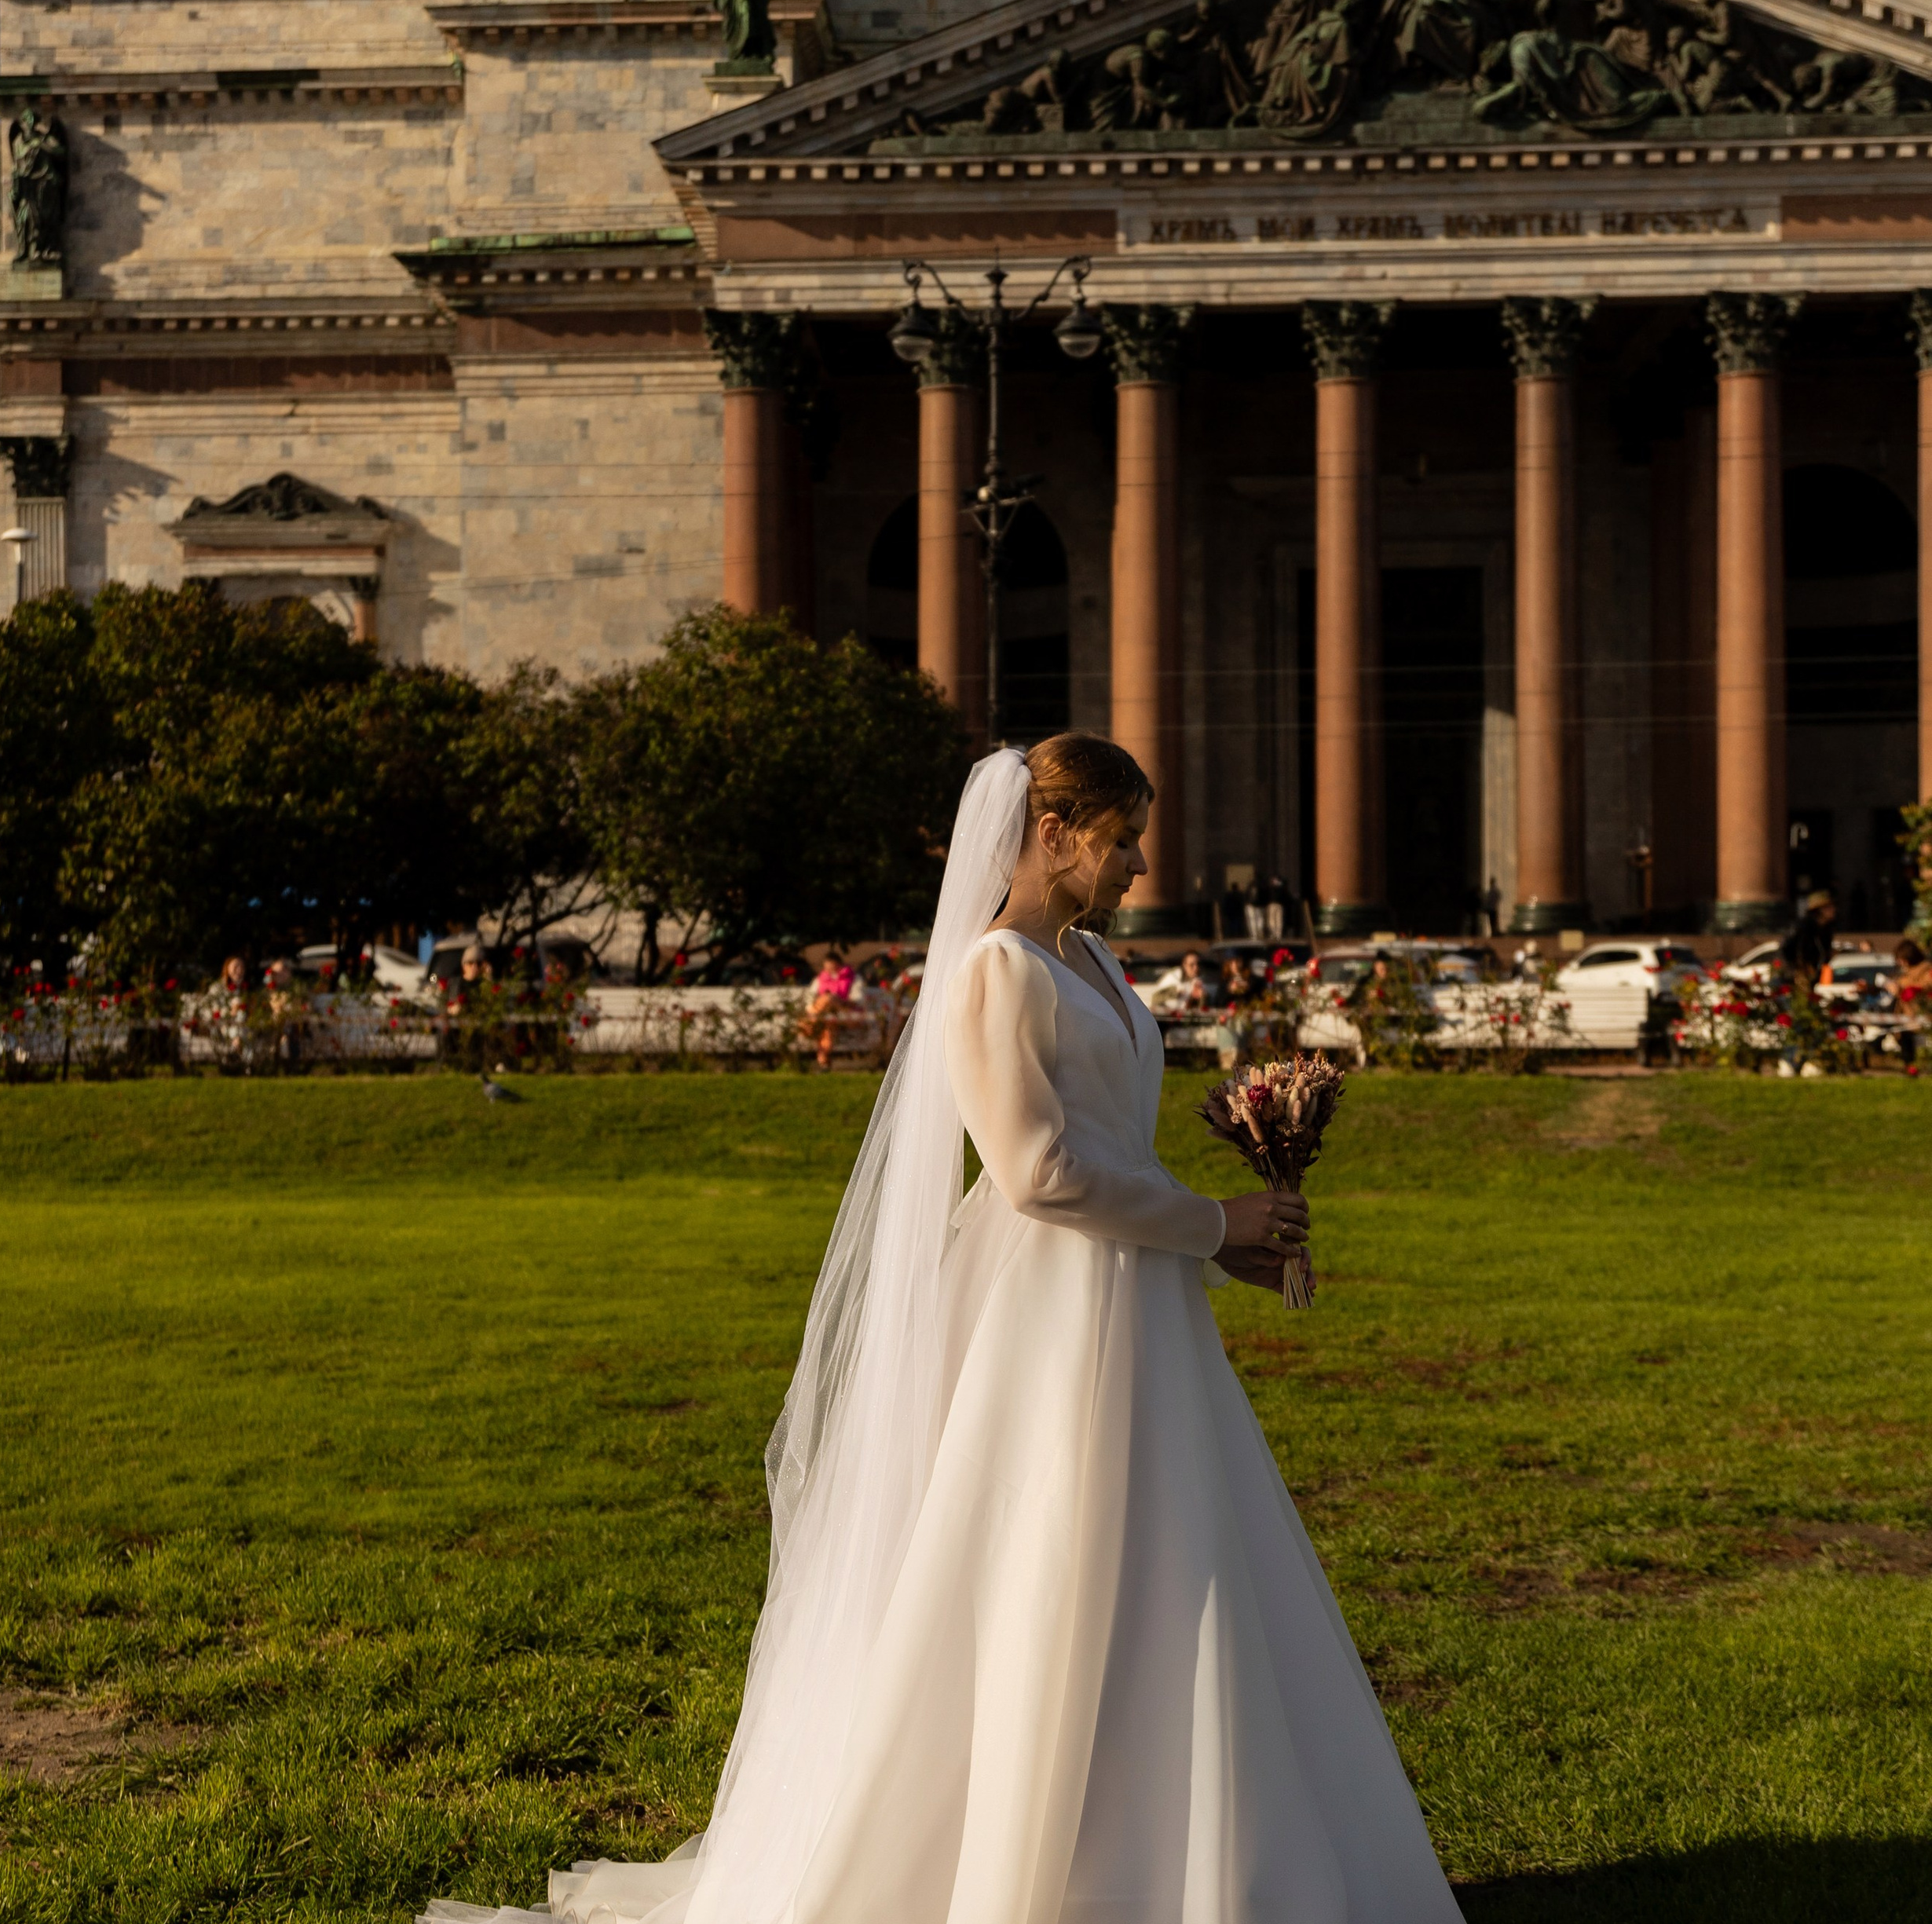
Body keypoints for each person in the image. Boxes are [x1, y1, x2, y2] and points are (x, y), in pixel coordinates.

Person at [433, 733, 1465, 1924]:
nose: (1140, 864)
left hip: (1137, 1305)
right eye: (1122, 837)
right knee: (1048, 1566)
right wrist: (1206, 1220)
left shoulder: (1089, 960)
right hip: (1047, 1315)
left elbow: (1110, 1151)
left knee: (1168, 1560)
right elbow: (1035, 1172)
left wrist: (1221, 1241)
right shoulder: (994, 970)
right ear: (1052, 834)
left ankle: (1170, 1852)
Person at [799, 951, 862, 1074]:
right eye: (827, 968)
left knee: (828, 1000)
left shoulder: (852, 978)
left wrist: (838, 1001)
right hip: (826, 1017)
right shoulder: (820, 979)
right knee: (828, 1026)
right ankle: (824, 1063)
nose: (829, 970)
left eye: (832, 967)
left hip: (844, 1013)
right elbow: (810, 999)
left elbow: (858, 1000)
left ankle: (810, 1022)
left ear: (838, 965)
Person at [1782, 891, 1836, 983]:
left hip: (1817, 978)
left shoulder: (1826, 929)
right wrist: (1797, 969)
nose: (1834, 910)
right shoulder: (1803, 927)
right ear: (1819, 910)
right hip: (1799, 978)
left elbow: (1825, 954)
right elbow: (1789, 950)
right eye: (1829, 907)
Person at [1145, 946, 1212, 1016]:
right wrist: (1175, 992)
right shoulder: (1173, 978)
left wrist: (1201, 997)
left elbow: (1200, 1011)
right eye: (1192, 965)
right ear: (1185, 965)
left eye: (1198, 964)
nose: (1196, 968)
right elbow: (1155, 998)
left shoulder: (1200, 983)